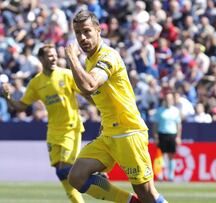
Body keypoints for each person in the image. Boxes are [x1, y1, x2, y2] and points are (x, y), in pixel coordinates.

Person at [64, 10, 167, 203]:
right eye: (77, 33)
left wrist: (71, 58)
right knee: (76, 177)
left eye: (87, 31)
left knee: (148, 194)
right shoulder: (89, 62)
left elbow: (89, 85)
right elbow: (90, 93)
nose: (82, 38)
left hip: (129, 132)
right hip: (109, 135)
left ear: (99, 30)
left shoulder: (108, 56)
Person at [2, 44, 85, 203]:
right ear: (41, 59)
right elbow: (21, 106)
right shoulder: (36, 83)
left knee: (64, 170)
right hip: (53, 132)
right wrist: (8, 97)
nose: (54, 58)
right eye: (50, 55)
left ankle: (90, 172)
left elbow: (87, 92)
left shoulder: (66, 74)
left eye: (55, 55)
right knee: (60, 174)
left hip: (71, 128)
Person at [152, 91, 182, 181]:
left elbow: (178, 125)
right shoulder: (159, 111)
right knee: (161, 155)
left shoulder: (175, 111)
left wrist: (178, 137)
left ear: (172, 100)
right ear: (164, 100)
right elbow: (155, 125)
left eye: (170, 99)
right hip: (162, 134)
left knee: (171, 155)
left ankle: (170, 176)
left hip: (172, 134)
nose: (169, 100)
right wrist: (156, 136)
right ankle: (160, 175)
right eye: (167, 99)